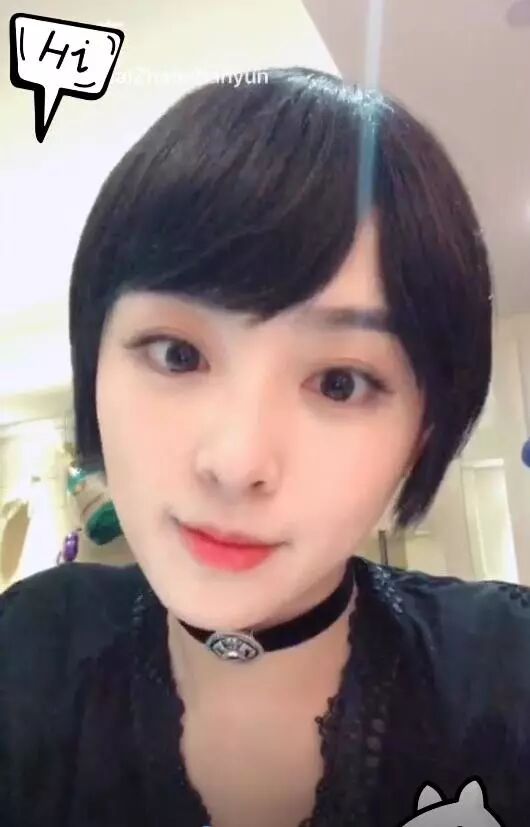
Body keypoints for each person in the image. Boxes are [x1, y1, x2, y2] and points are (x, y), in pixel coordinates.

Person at [1, 66, 529, 827]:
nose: (236, 463)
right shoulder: (30, 648)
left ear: (422, 435)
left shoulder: (506, 669)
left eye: (341, 383)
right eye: (178, 354)